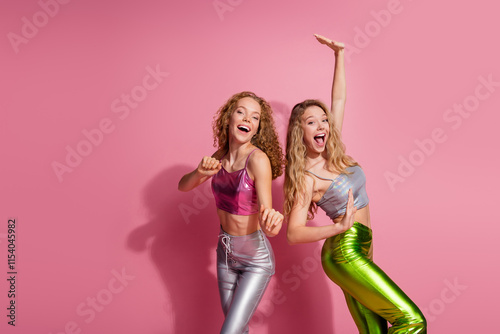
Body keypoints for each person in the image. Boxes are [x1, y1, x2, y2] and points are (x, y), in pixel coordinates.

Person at [284, 34, 426, 333]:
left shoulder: (333, 152)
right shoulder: (306, 178)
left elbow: (339, 98)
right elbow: (294, 234)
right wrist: (337, 228)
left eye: (323, 120)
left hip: (363, 244)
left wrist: (339, 55)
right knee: (412, 321)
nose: (322, 125)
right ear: (300, 131)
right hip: (343, 250)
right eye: (312, 122)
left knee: (376, 331)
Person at [178, 91, 285, 334]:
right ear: (229, 118)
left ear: (258, 128)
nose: (247, 119)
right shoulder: (219, 158)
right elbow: (183, 186)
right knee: (238, 330)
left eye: (255, 117)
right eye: (241, 112)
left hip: (255, 258)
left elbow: (267, 214)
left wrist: (273, 224)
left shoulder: (258, 160)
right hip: (224, 256)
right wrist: (200, 172)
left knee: (230, 332)